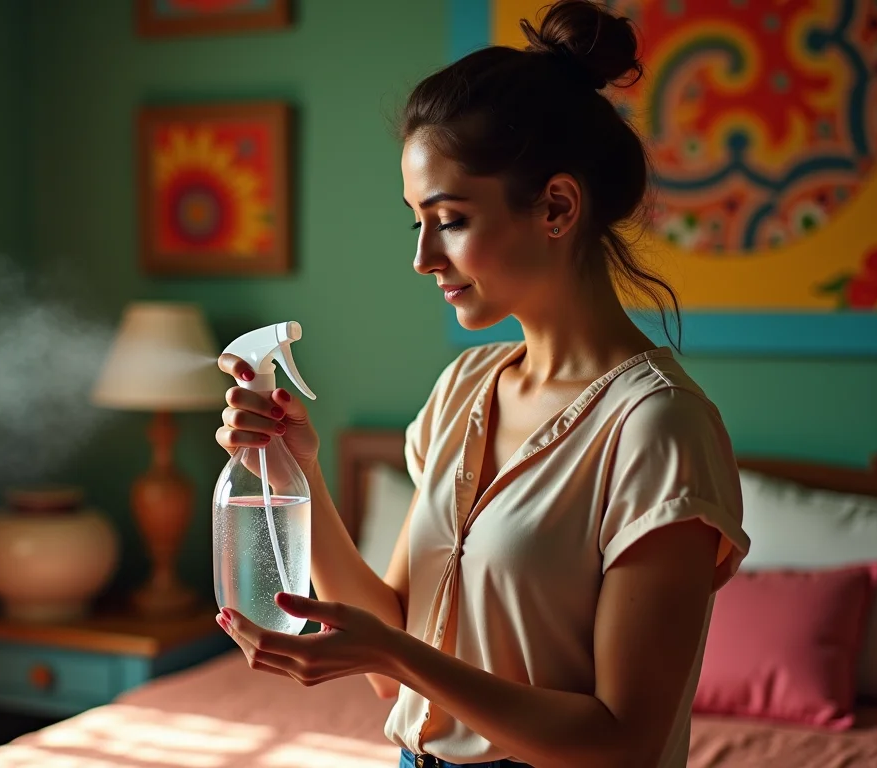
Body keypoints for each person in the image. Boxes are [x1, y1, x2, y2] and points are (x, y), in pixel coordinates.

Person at [213, 1, 751, 766]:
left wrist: (396, 659)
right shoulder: (464, 388)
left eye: (451, 218)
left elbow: (623, 740)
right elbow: (397, 646)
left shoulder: (657, 429)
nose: (424, 257)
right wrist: (300, 471)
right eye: (416, 222)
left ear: (557, 207)